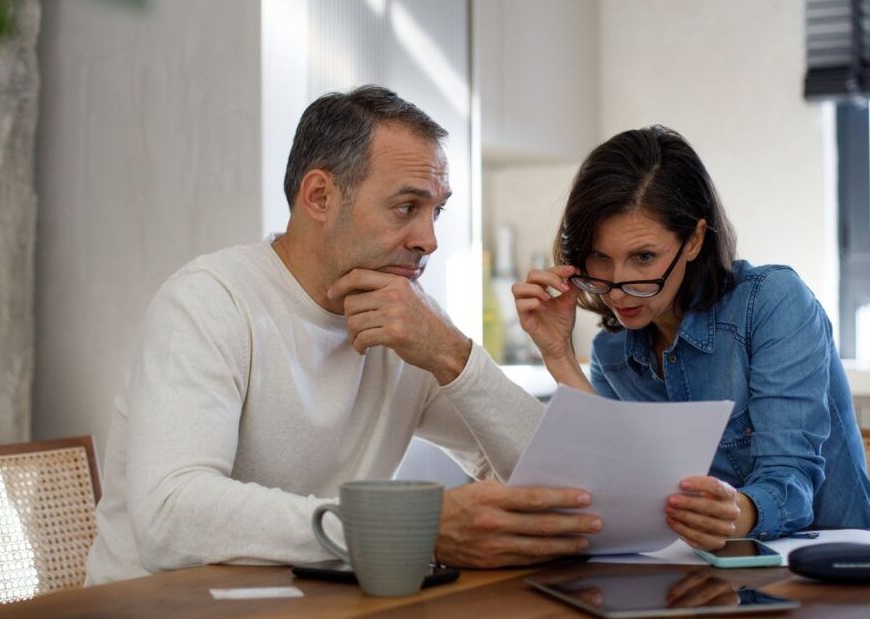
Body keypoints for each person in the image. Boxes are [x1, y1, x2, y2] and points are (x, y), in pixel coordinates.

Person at [86, 85, 600, 584]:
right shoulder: (210, 301)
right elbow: (171, 517)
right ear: (319, 196)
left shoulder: (407, 323)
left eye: (436, 211)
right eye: (406, 207)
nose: (429, 240)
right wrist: (407, 528)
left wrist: (453, 355)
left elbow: (562, 483)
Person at [512, 125, 870, 551]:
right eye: (600, 257)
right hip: (701, 575)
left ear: (693, 239)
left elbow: (792, 482)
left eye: (644, 257)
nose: (617, 287)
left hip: (832, 565)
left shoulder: (772, 303)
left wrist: (733, 512)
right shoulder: (612, 353)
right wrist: (558, 355)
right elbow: (616, 488)